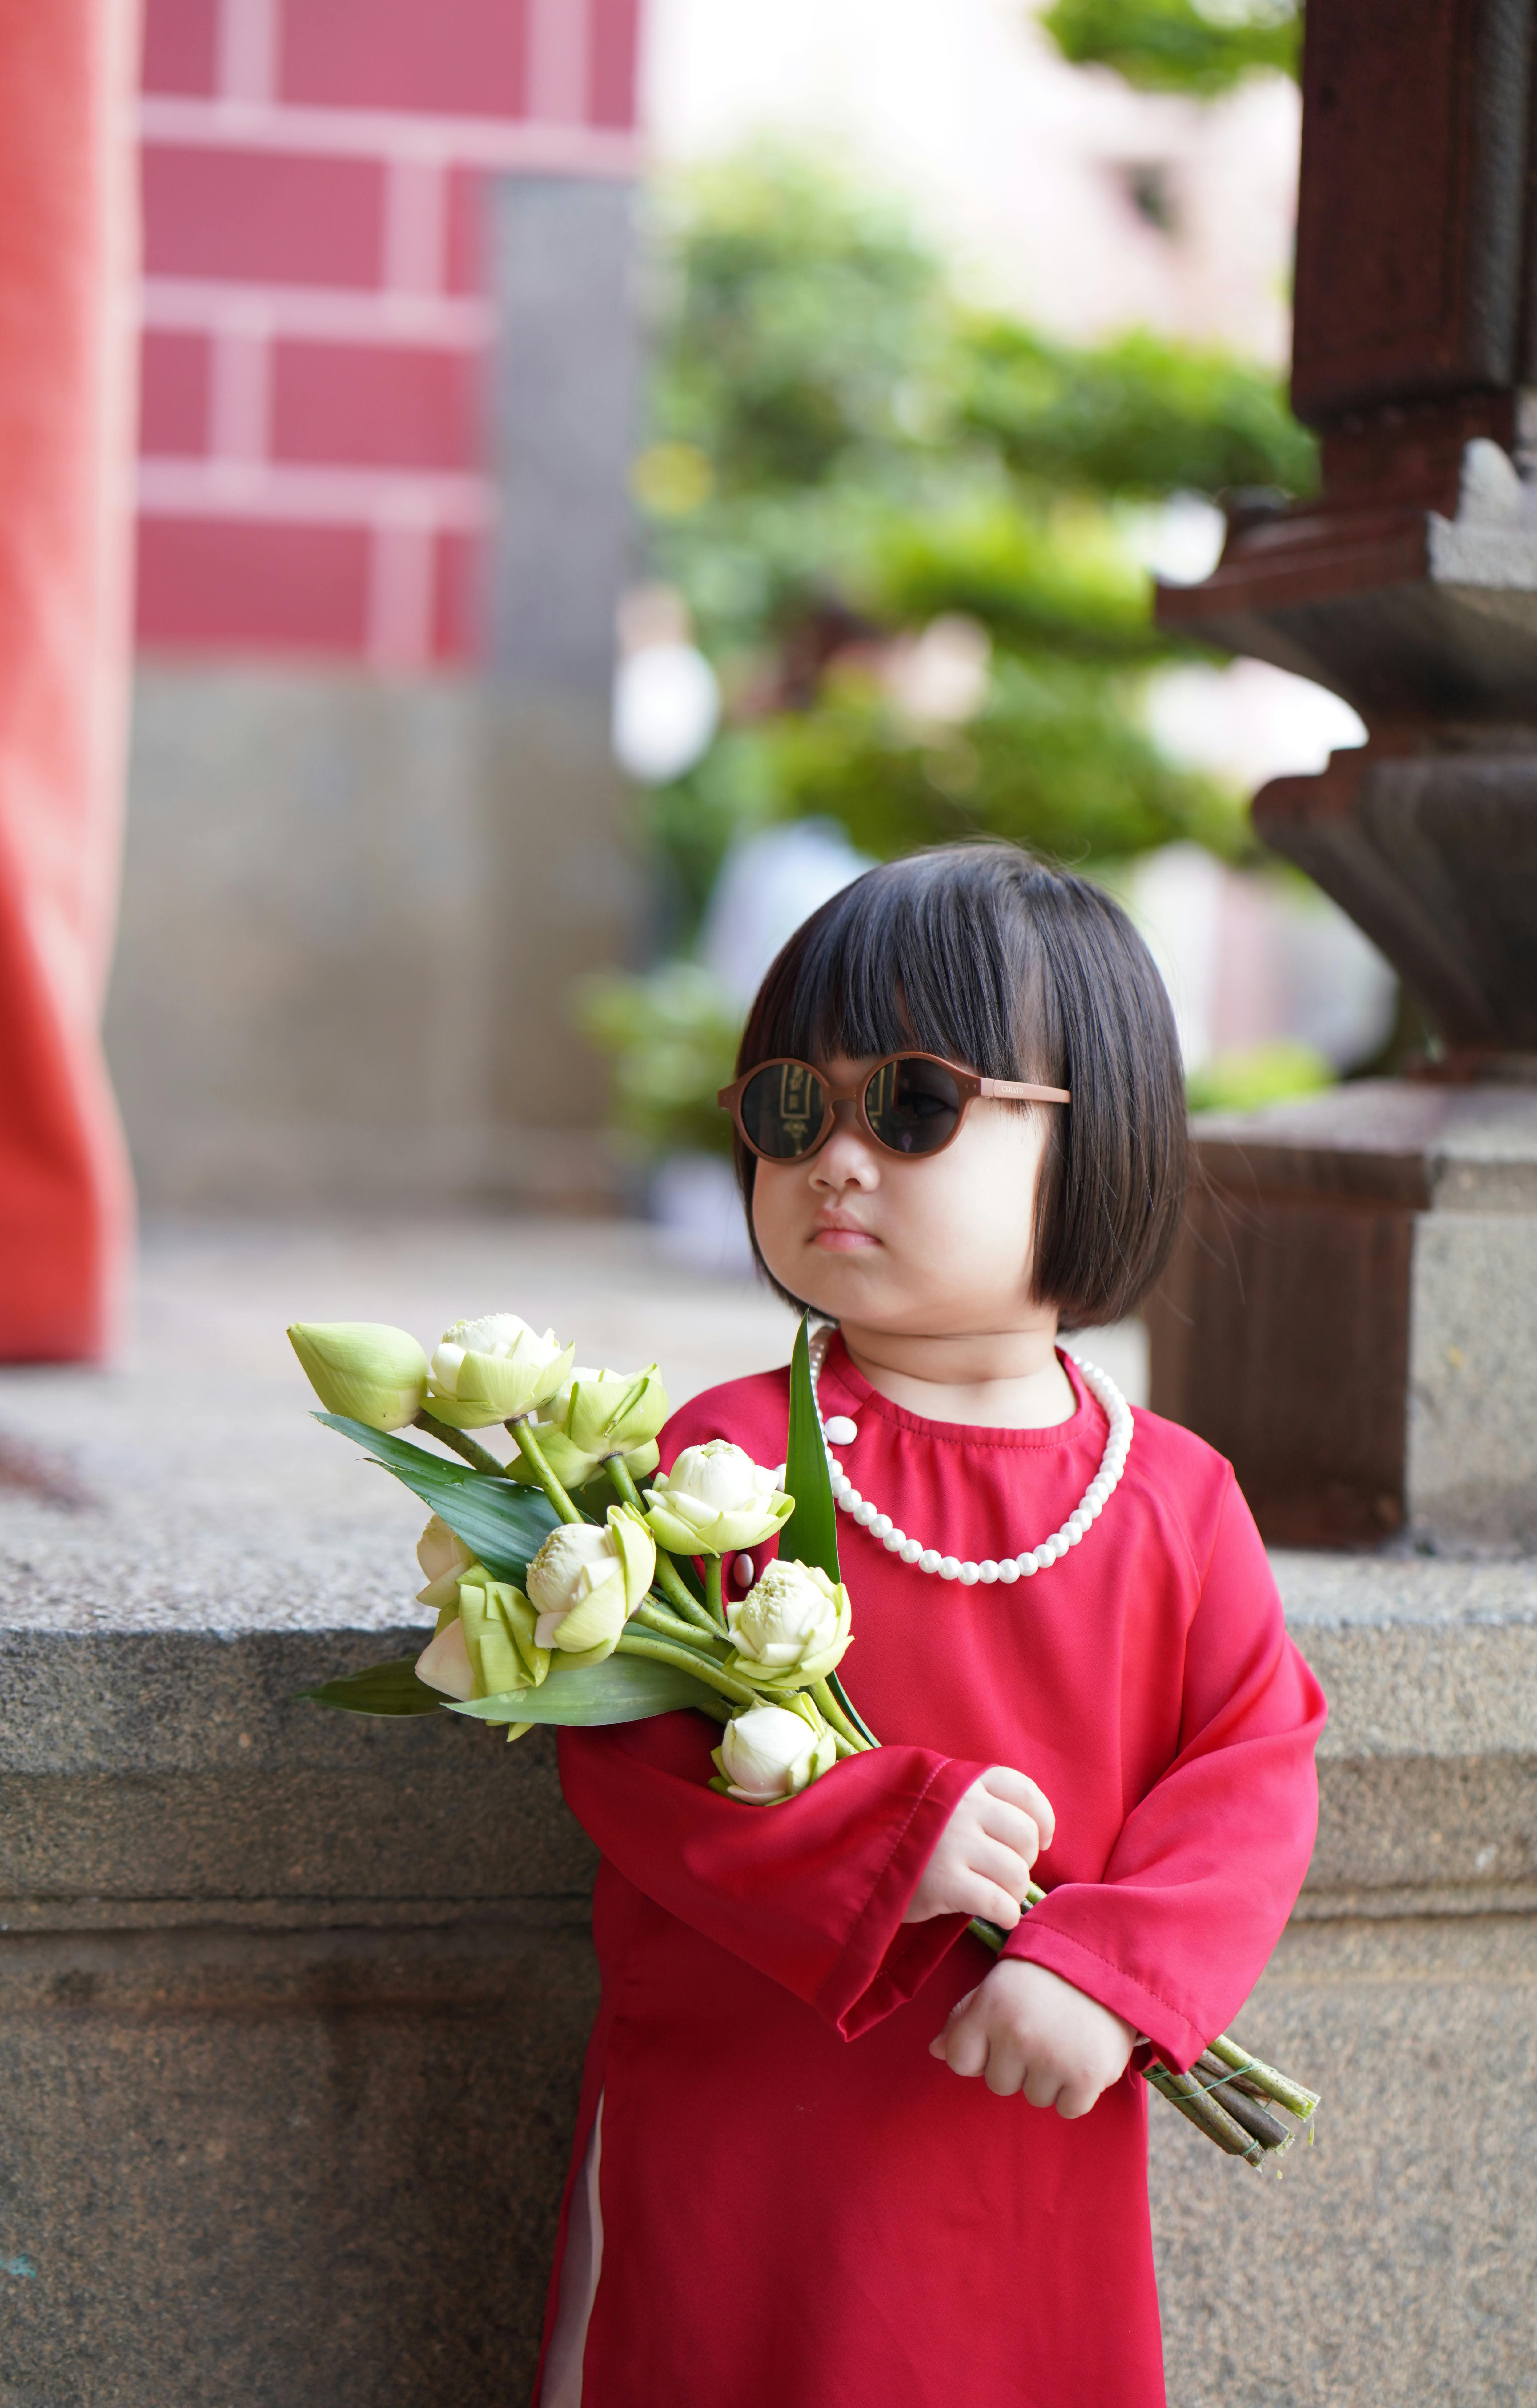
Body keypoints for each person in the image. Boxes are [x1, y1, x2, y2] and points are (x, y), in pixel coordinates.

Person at [535, 842, 1325, 2408]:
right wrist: (886, 1839)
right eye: (788, 1107)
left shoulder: (1171, 1495)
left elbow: (1258, 1765)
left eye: (912, 1106)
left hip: (1018, 2115)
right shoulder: (728, 1463)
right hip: (756, 2116)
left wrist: (1112, 1974)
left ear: (1097, 1141)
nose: (837, 1157)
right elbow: (630, 1749)